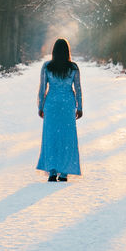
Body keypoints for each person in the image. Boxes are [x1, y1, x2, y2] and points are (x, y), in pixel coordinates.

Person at [36, 37, 83, 181]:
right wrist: (79, 107)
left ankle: (52, 171)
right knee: (67, 138)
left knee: (51, 137)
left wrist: (41, 106)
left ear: (54, 51)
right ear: (67, 51)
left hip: (51, 105)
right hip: (67, 105)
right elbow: (78, 89)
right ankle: (64, 172)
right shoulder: (73, 67)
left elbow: (43, 88)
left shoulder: (47, 66)